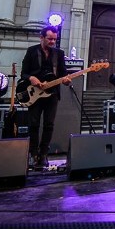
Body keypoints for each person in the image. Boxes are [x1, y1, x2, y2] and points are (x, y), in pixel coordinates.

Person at [20, 25, 71, 169]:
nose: (53, 42)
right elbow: (23, 73)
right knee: (34, 124)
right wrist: (31, 78)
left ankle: (43, 154)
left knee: (49, 125)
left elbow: (63, 74)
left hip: (52, 94)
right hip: (34, 94)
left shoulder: (59, 54)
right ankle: (33, 154)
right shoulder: (31, 51)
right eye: (50, 39)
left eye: (55, 39)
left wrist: (66, 81)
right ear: (41, 37)